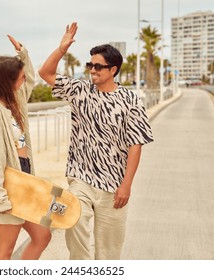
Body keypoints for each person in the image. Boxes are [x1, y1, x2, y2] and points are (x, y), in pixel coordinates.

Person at [38, 22, 154, 260]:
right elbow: (45, 74)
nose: (92, 70)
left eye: (98, 66)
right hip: (81, 178)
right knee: (73, 220)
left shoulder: (130, 100)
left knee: (109, 251)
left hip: (114, 185)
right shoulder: (80, 91)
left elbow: (136, 144)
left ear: (113, 70)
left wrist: (127, 185)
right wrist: (61, 49)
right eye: (90, 65)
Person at [0, 35, 51, 260]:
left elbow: (30, 79)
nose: (23, 81)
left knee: (42, 236)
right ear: (7, 81)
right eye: (18, 78)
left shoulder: (13, 103)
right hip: (7, 186)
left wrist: (23, 54)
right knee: (3, 251)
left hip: (23, 178)